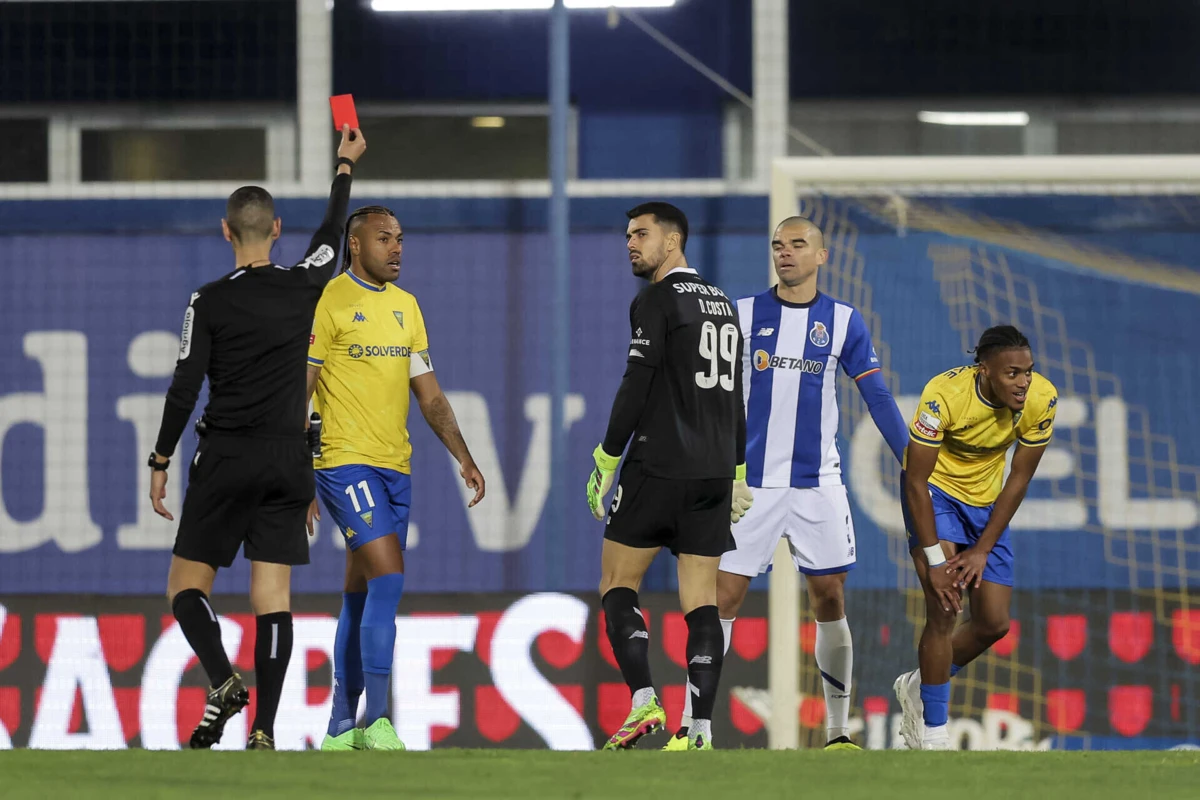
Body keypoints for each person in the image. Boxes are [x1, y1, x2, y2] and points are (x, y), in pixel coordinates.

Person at [148, 125, 367, 751]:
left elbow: (184, 388)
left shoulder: (208, 301)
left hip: (227, 457)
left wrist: (161, 457)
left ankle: (221, 681)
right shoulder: (304, 286)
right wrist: (344, 166)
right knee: (273, 599)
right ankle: (265, 730)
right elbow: (330, 237)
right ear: (275, 231)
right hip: (289, 461)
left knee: (186, 588)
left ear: (226, 233)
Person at [665, 216, 910, 751]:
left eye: (798, 245)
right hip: (749, 486)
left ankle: (838, 732)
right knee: (721, 598)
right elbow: (708, 394)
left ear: (821, 256)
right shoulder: (744, 314)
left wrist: (912, 461)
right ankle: (693, 728)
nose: (786, 253)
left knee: (829, 595)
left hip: (816, 484)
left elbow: (879, 398)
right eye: (778, 245)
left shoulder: (843, 322)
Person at [306, 205, 486, 751]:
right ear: (355, 245)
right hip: (342, 460)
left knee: (359, 594)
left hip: (394, 466)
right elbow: (302, 389)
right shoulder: (328, 300)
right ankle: (378, 721)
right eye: (385, 239)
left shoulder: (408, 308)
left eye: (401, 239)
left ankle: (339, 726)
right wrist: (295, 473)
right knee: (389, 580)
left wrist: (464, 456)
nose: (397, 248)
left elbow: (429, 395)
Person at [585, 202, 751, 752]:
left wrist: (609, 458)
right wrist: (738, 470)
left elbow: (637, 381)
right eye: (627, 235)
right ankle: (700, 730)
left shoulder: (656, 299)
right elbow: (734, 396)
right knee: (702, 601)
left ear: (673, 241)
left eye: (641, 234)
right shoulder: (724, 306)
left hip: (658, 464)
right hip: (713, 474)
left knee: (616, 583)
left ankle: (643, 700)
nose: (630, 244)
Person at [894, 325, 1057, 750]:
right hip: (936, 493)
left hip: (985, 504)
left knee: (993, 623)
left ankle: (919, 684)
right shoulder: (943, 396)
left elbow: (1018, 478)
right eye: (1012, 374)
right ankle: (934, 734)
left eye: (1028, 372)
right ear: (984, 370)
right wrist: (934, 561)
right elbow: (915, 480)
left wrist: (983, 549)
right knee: (944, 607)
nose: (1023, 383)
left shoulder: (1041, 398)